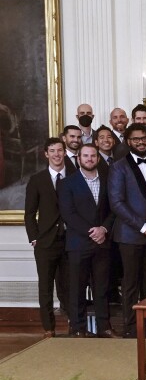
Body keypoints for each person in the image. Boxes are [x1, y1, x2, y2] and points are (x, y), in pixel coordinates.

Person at [109, 123, 146, 338]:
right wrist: (143, 227)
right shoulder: (118, 167)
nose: (141, 142)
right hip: (130, 235)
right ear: (128, 142)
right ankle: (132, 328)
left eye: (144, 138)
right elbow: (117, 203)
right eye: (136, 139)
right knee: (131, 284)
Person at [57, 144, 117, 338]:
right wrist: (92, 232)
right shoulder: (67, 183)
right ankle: (77, 329)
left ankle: (104, 328)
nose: (89, 159)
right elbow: (68, 214)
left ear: (98, 159)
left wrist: (104, 229)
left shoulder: (108, 181)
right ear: (78, 159)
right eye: (85, 156)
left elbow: (113, 209)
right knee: (77, 289)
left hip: (103, 243)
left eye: (93, 156)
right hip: (78, 244)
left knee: (102, 288)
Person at [25, 138, 69, 337]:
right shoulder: (37, 179)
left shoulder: (75, 176)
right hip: (45, 243)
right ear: (46, 154)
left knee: (69, 286)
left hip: (70, 241)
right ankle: (49, 329)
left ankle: (73, 325)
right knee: (45, 288)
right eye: (53, 151)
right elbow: (29, 213)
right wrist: (34, 238)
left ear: (65, 152)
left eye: (60, 150)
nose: (57, 154)